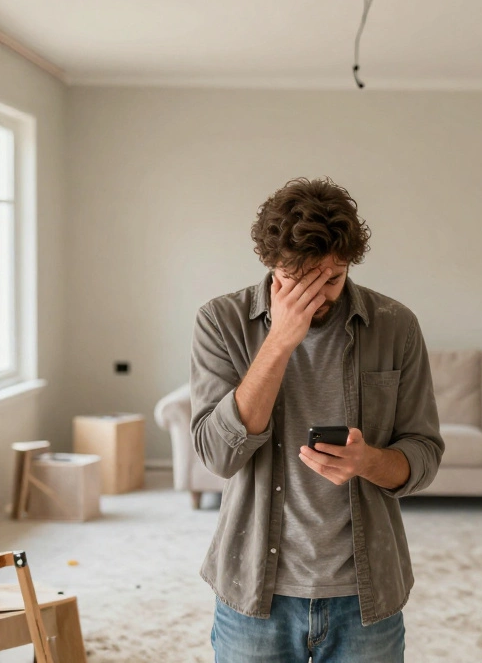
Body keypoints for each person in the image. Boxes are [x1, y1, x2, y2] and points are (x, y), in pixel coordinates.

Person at [190, 177, 445, 662]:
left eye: (332, 278)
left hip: (365, 597)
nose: (317, 295)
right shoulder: (220, 321)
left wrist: (368, 461)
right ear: (270, 264)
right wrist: (280, 340)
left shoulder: (395, 325)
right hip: (253, 592)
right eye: (300, 279)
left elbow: (425, 454)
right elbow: (218, 455)